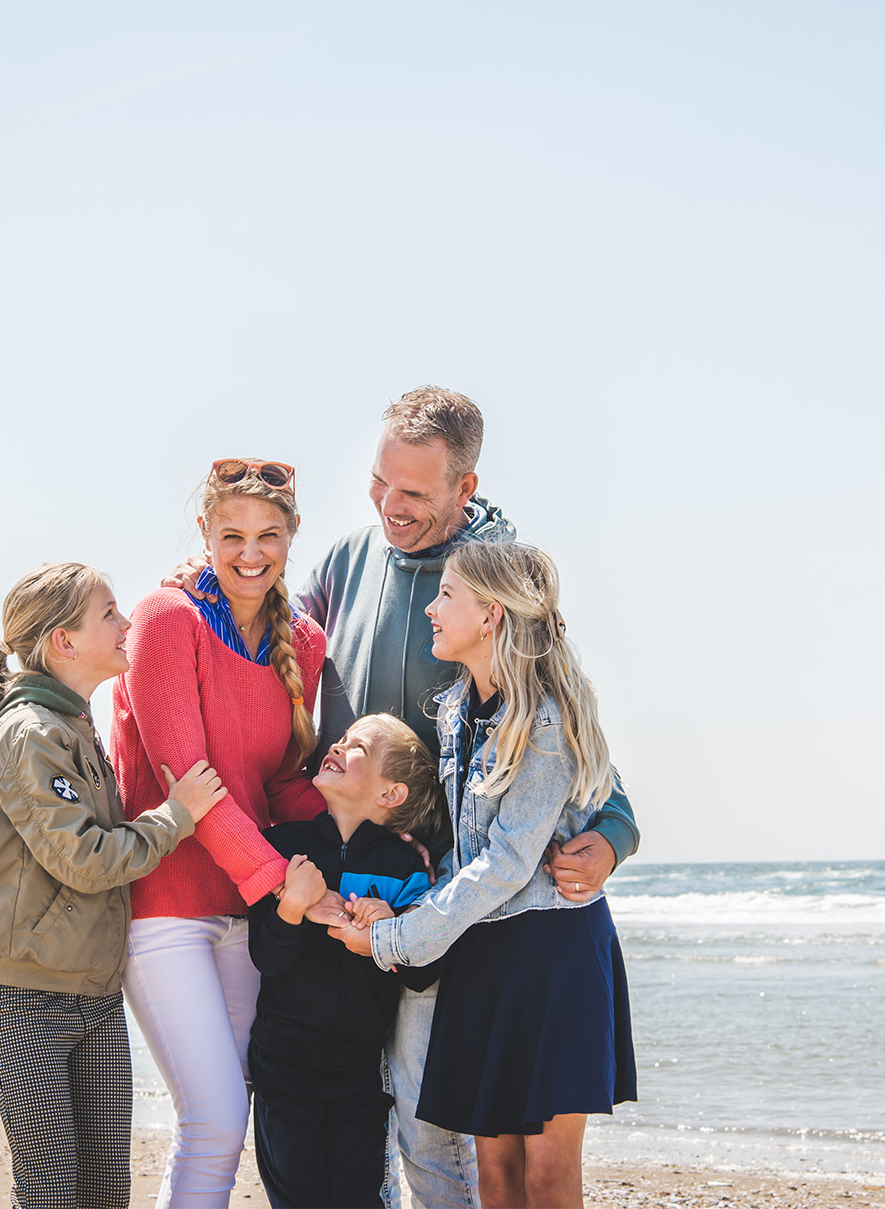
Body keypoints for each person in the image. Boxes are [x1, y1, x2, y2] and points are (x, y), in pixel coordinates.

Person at [168, 387, 641, 1208]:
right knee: (347, 1107)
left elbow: (560, 724)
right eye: (380, 482)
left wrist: (615, 828)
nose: (390, 506)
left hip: (451, 903)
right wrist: (204, 587)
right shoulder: (347, 563)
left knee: (428, 1120)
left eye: (414, 492)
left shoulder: (493, 580)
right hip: (346, 890)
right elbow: (266, 621)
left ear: (466, 487)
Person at [331, 540, 635, 1209]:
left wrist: (398, 940)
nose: (433, 611)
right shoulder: (453, 711)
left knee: (547, 1178)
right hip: (483, 954)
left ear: (492, 614)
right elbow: (463, 854)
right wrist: (397, 911)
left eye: (446, 597)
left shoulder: (548, 718)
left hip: (553, 957)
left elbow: (505, 862)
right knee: (495, 1178)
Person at [0, 562, 229, 1209]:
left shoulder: (74, 723)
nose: (127, 622)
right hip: (22, 998)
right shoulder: (30, 735)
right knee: (53, 1193)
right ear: (64, 641)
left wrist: (207, 589)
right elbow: (84, 857)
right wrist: (177, 815)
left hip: (95, 994)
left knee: (106, 1192)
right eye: (109, 612)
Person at [112, 460, 341, 1209]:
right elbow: (196, 784)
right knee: (214, 1119)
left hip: (246, 916)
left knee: (223, 1124)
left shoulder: (301, 641)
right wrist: (289, 886)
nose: (251, 553)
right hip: (166, 904)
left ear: (292, 535)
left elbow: (277, 783)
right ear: (204, 531)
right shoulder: (164, 617)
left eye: (269, 535)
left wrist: (369, 825)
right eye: (232, 534)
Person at [246, 714, 452, 1209]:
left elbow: (424, 972)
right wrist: (292, 906)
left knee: (359, 1197)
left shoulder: (404, 870)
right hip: (284, 1066)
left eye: (356, 745)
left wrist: (391, 929)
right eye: (339, 738)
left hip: (359, 1073)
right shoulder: (284, 846)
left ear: (390, 795)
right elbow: (266, 959)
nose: (336, 746)